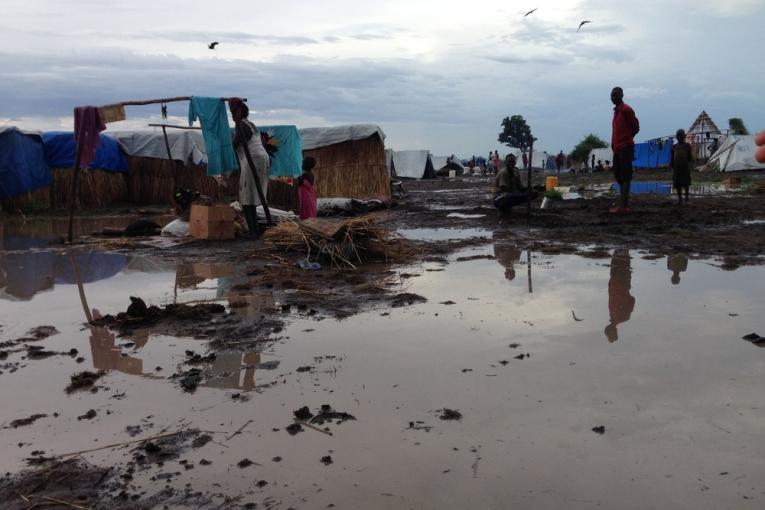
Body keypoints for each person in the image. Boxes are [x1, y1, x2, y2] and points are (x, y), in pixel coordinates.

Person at [231, 100, 270, 235]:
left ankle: (253, 231)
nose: (232, 115)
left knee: (247, 197)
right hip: (261, 158)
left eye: (233, 112)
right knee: (252, 195)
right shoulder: (250, 124)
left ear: (239, 112)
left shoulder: (241, 125)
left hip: (253, 160)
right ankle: (255, 228)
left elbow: (234, 144)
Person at [610, 86, 640, 212]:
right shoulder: (616, 112)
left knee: (626, 175)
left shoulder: (627, 110)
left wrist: (627, 138)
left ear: (621, 96)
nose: (613, 97)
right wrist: (613, 142)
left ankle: (624, 205)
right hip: (616, 148)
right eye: (611, 95)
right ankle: (622, 203)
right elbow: (615, 130)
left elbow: (635, 127)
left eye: (615, 95)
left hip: (625, 147)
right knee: (618, 175)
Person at [604, 249, 635, 343]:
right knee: (624, 261)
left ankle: (620, 247)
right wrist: (624, 293)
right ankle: (624, 246)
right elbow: (632, 300)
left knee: (617, 259)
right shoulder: (624, 317)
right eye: (610, 332)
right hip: (622, 283)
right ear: (615, 331)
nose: (608, 328)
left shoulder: (612, 314)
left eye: (608, 331)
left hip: (615, 281)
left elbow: (612, 296)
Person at [671, 129, 694, 205]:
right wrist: (671, 164)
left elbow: (690, 158)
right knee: (678, 184)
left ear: (684, 136)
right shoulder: (674, 146)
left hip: (685, 167)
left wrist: (691, 166)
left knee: (686, 183)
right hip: (677, 167)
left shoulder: (687, 146)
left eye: (681, 135)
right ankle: (680, 199)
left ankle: (687, 198)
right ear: (677, 137)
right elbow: (672, 158)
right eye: (678, 136)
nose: (680, 137)